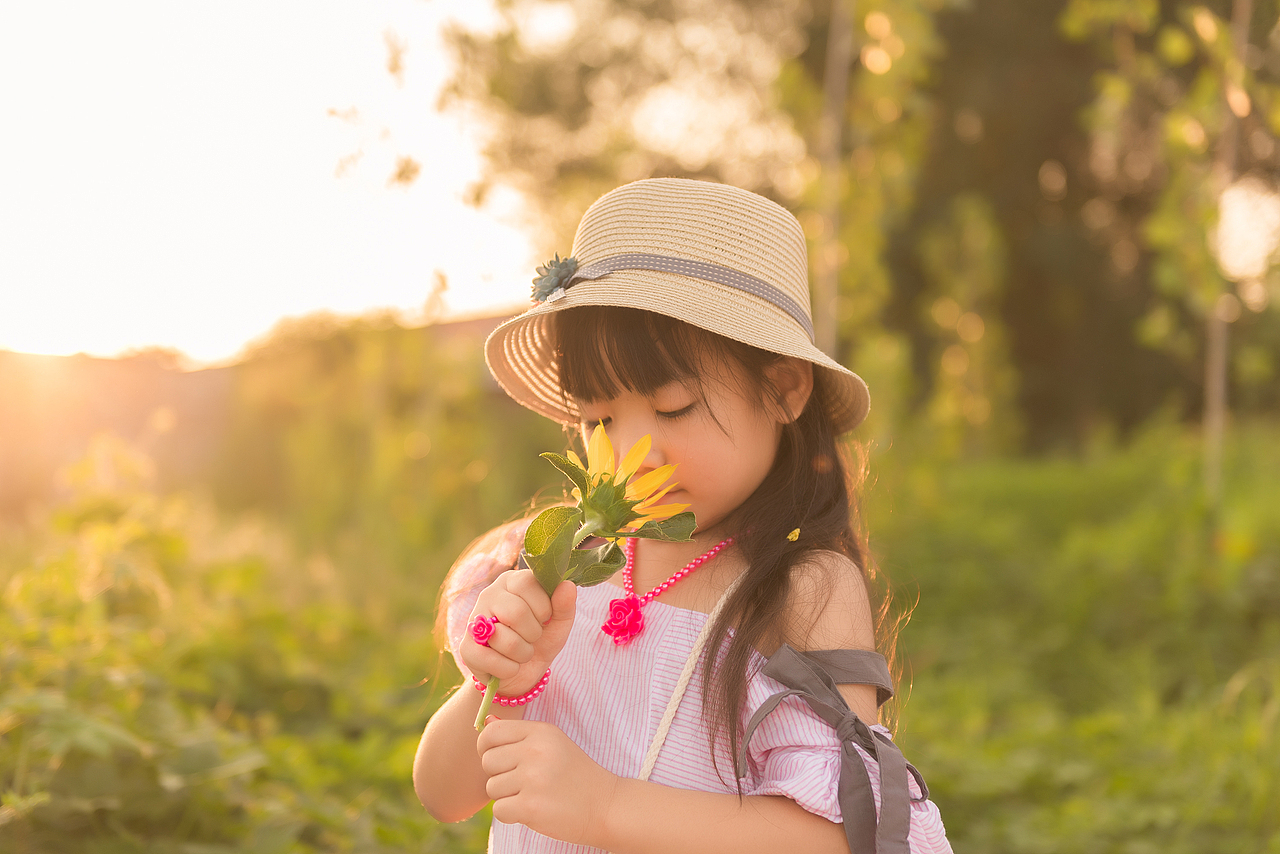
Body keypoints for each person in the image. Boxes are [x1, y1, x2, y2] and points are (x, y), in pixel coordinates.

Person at [413, 178, 952, 854]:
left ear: (783, 389)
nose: (634, 453)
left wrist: (605, 807)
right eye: (598, 418)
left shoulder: (801, 589)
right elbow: (443, 793)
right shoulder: (555, 558)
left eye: (673, 408)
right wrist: (504, 682)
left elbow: (842, 837)